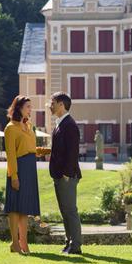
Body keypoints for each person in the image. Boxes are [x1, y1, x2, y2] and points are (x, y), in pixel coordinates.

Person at [4, 95, 40, 255]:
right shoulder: (10, 128)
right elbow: (11, 154)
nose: (30, 110)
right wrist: (14, 176)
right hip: (18, 168)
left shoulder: (29, 126)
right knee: (14, 207)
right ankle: (14, 242)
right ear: (18, 108)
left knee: (24, 208)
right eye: (27, 107)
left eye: (30, 107)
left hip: (30, 168)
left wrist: (40, 152)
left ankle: (23, 242)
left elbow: (30, 147)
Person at [48, 92, 83, 255]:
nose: (50, 105)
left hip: (66, 176)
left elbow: (72, 152)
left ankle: (75, 246)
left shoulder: (69, 125)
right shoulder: (60, 124)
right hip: (59, 175)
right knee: (65, 211)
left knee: (70, 211)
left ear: (61, 105)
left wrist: (67, 174)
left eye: (53, 102)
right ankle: (69, 243)